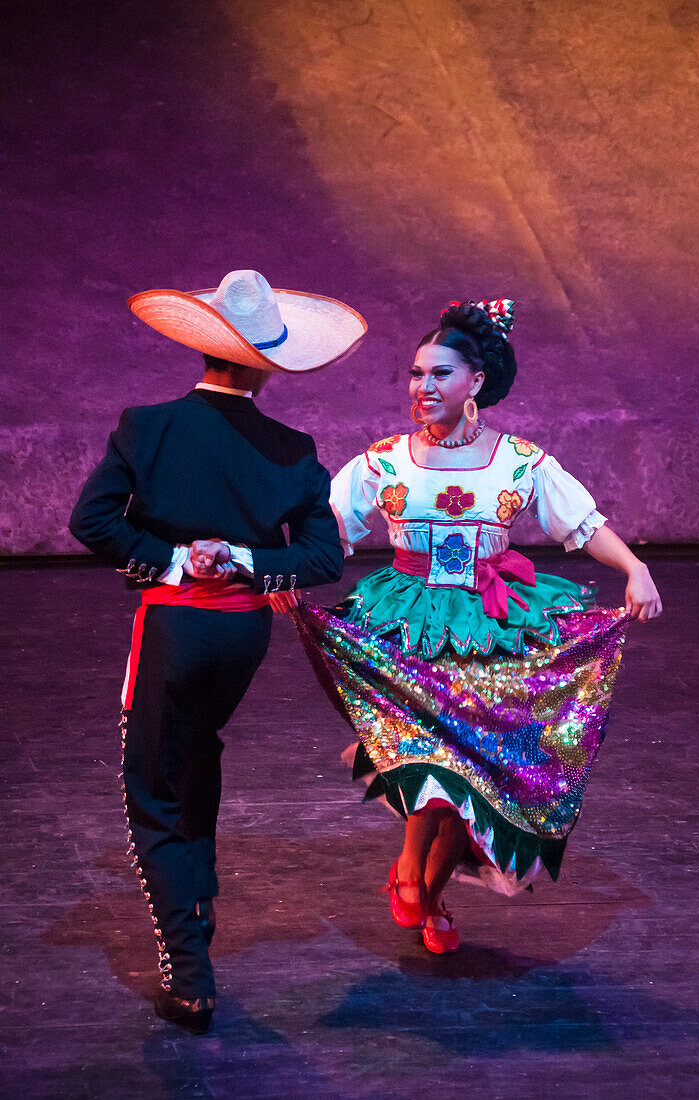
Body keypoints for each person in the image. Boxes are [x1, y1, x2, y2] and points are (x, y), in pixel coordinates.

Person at [293, 297, 661, 955]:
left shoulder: (520, 461)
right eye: (415, 374)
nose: (423, 387)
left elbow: (581, 522)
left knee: (475, 777)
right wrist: (286, 572)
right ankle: (416, 885)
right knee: (435, 770)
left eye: (438, 374)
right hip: (412, 624)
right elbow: (330, 531)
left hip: (494, 625)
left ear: (476, 382)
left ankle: (423, 890)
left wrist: (635, 567)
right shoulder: (386, 461)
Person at [69, 269, 366, 1033]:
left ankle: (189, 967)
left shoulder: (149, 425)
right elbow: (323, 559)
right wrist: (245, 559)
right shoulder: (292, 448)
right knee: (196, 750)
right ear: (267, 361)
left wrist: (174, 561)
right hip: (242, 637)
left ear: (203, 348)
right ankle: (196, 898)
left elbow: (94, 520)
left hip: (178, 627)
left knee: (156, 787)